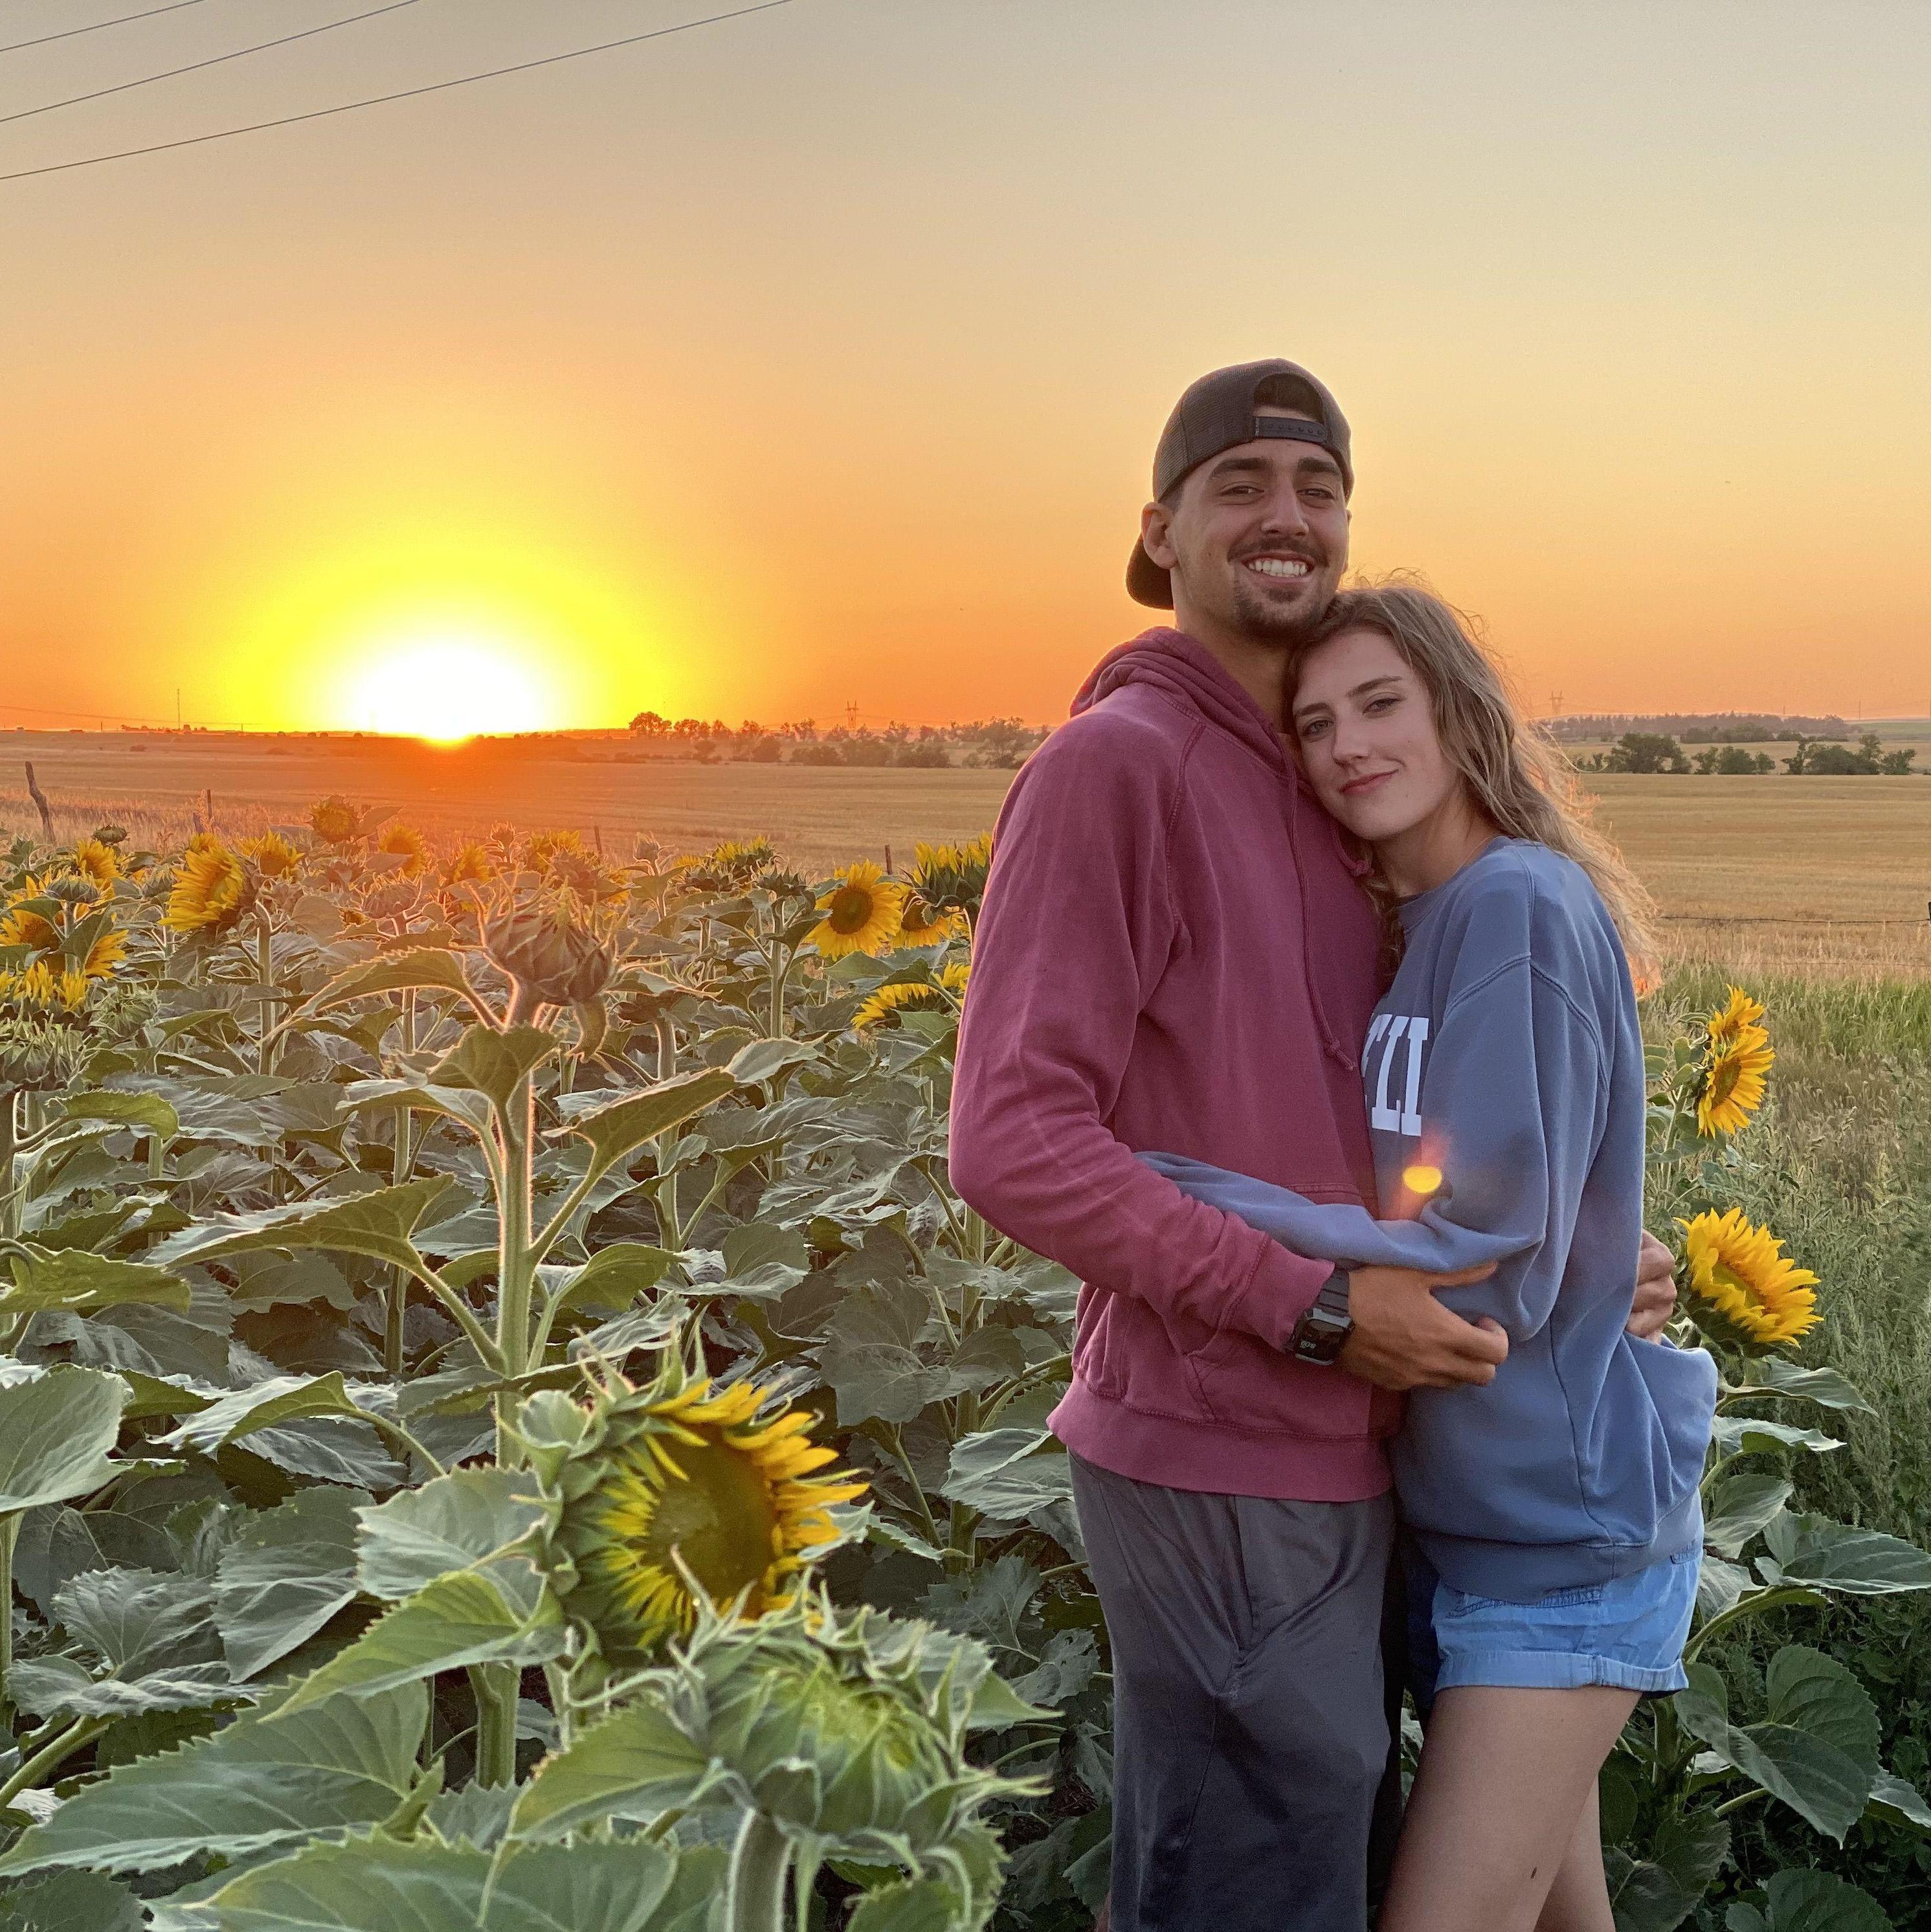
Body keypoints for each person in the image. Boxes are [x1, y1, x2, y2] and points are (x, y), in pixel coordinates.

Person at [947, 360, 1680, 1932]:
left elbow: (1396, 1130)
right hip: (1222, 1444)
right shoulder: (1116, 767)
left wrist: (1569, 1266)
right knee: (1254, 1888)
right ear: (1159, 531)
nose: (1288, 516)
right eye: (1240, 486)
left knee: (1321, 1862)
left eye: (1319, 488)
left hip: (1363, 1445)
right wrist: (1324, 1308)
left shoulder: (1329, 804)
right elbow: (1011, 1140)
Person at [1144, 583, 1717, 1931]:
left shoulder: (1516, 902)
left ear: (1460, 713)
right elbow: (1519, 1203)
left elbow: (1491, 1267)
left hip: (1559, 1540)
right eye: (1316, 722)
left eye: (1380, 703)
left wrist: (1194, 1192)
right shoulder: (1423, 934)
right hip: (1476, 1522)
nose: (1346, 742)